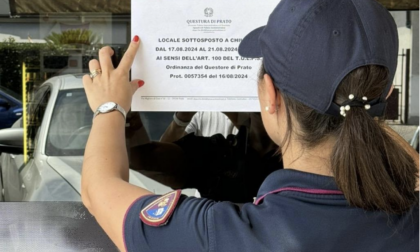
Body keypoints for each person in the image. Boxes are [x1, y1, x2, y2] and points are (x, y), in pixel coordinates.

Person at [81, 0, 419, 251]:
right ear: (385, 94)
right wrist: (361, 109)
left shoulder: (221, 234)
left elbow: (98, 191)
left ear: (269, 96)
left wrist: (109, 106)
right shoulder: (410, 221)